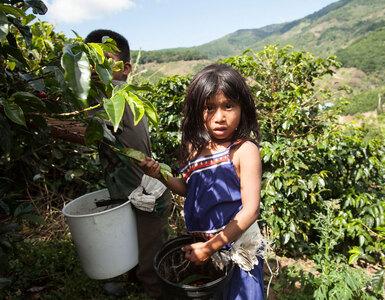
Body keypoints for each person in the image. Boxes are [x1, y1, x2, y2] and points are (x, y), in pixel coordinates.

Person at [51, 29, 171, 299]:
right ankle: (132, 280)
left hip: (149, 197)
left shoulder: (116, 95)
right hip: (131, 194)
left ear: (125, 68)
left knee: (151, 265)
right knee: (135, 247)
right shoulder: (110, 97)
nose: (95, 68)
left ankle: (156, 292)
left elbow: (78, 129)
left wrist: (40, 121)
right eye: (90, 60)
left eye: (105, 59)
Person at [140, 64, 266, 299]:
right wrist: (160, 175)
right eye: (209, 108)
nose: (220, 117)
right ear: (197, 111)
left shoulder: (243, 151)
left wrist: (211, 247)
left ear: (243, 108)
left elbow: (251, 210)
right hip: (204, 246)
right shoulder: (194, 149)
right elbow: (190, 189)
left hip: (234, 247)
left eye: (229, 106)